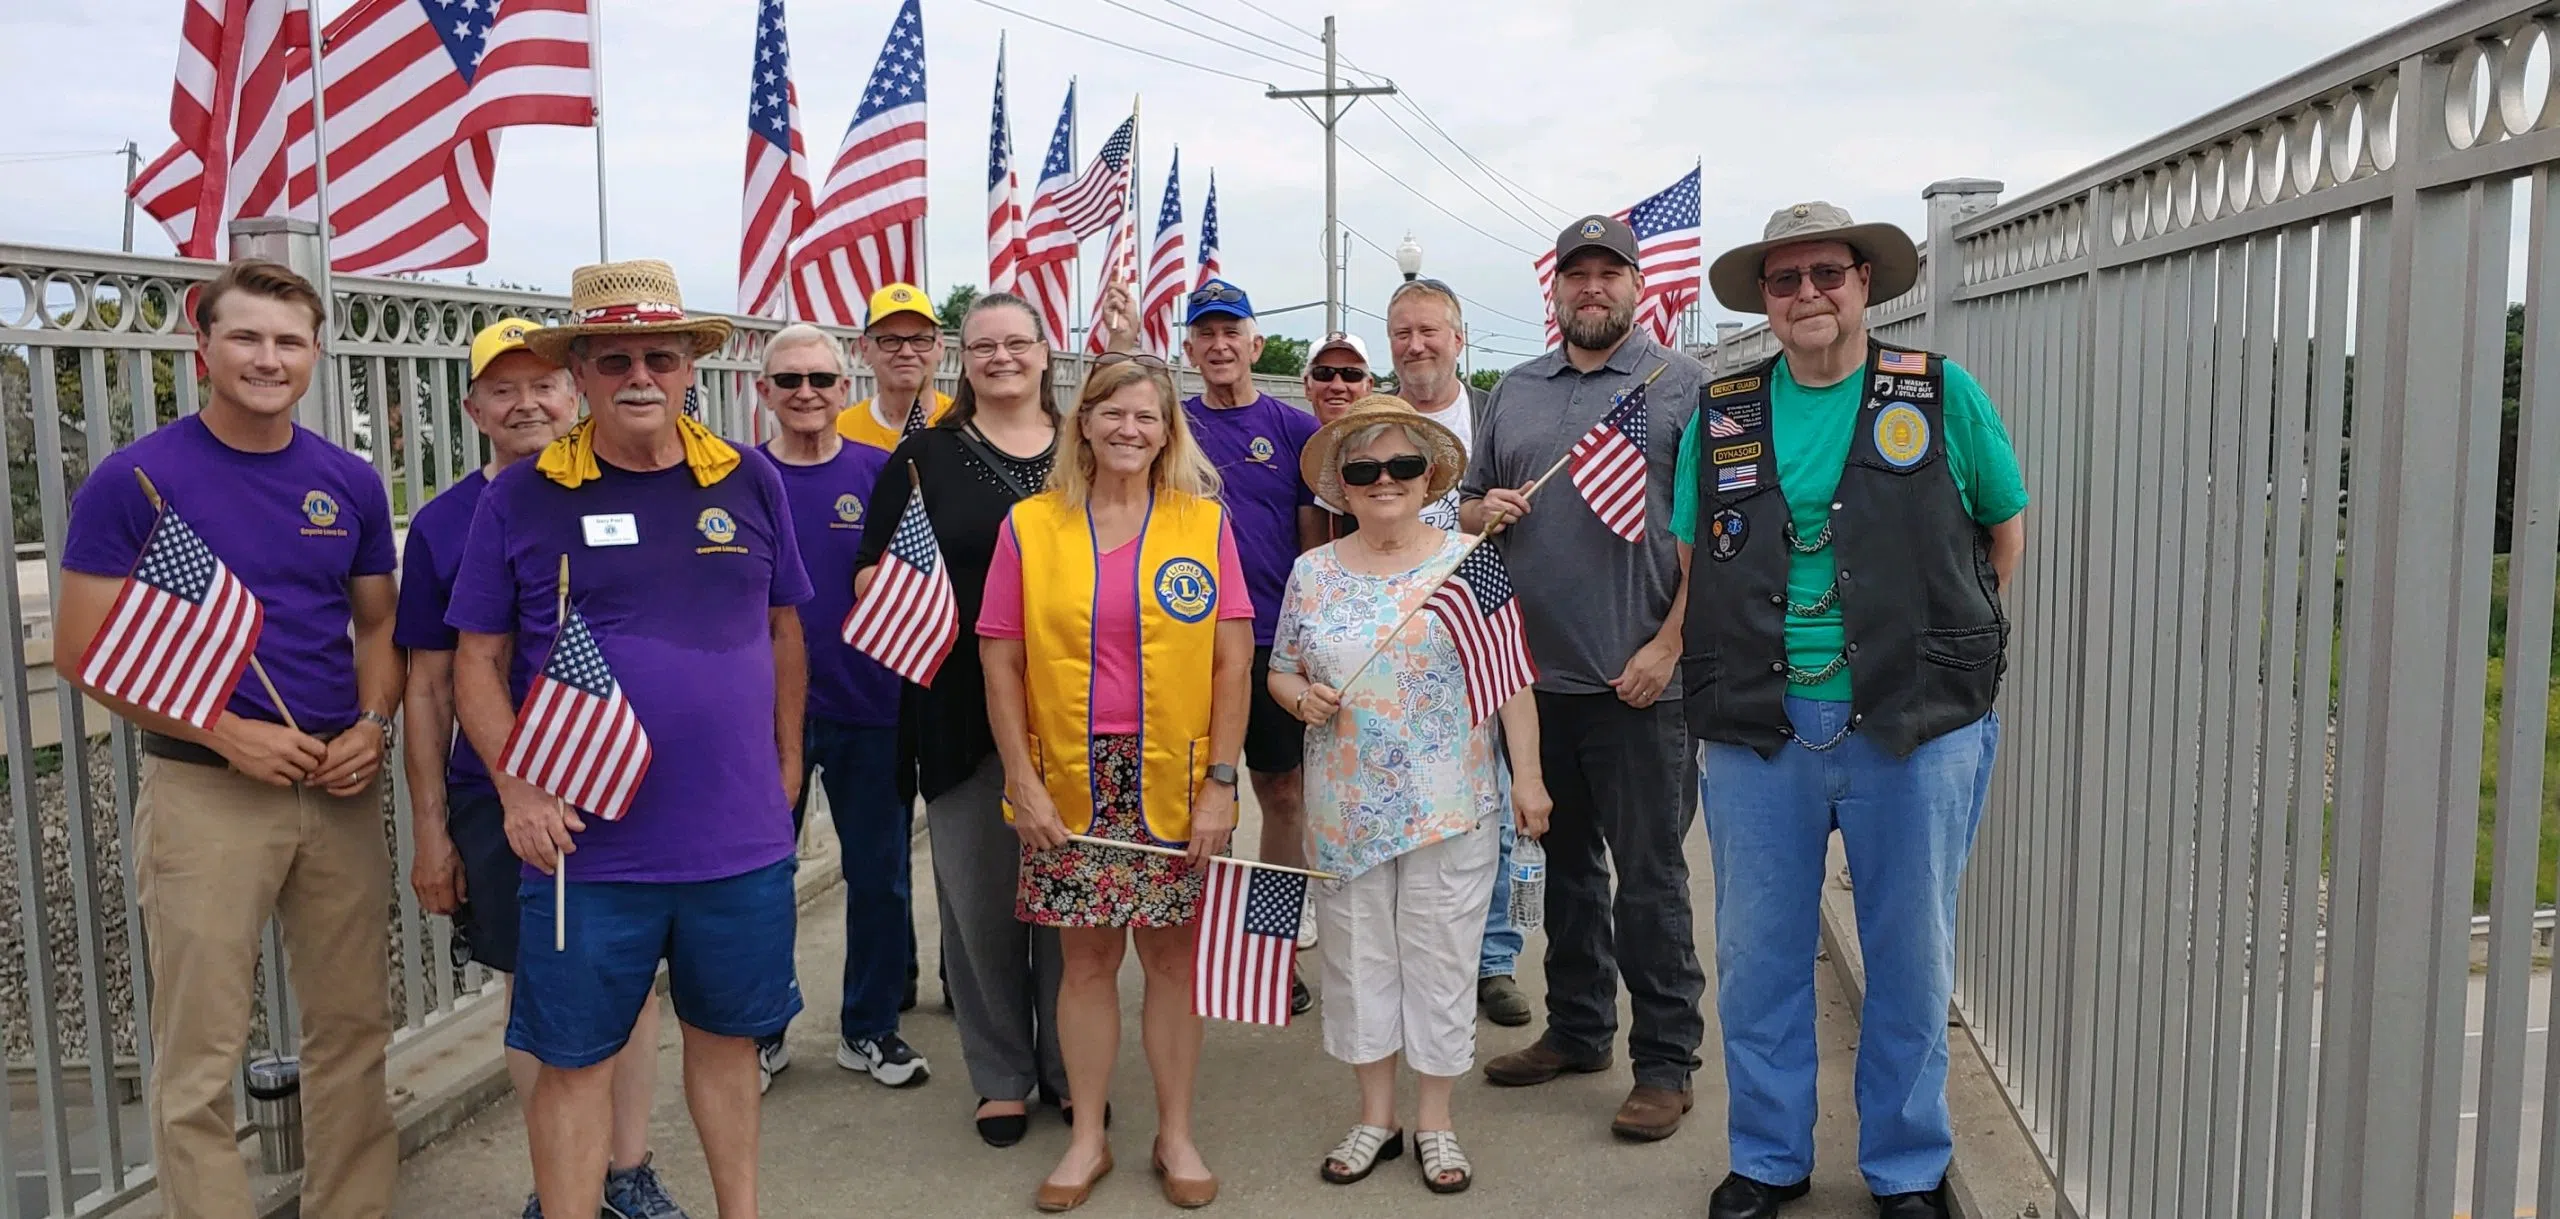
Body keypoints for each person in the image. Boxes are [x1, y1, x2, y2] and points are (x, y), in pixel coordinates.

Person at [1673, 203, 2026, 1219]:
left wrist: (1950, 644)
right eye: (1783, 282)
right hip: (1759, 722)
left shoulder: (1938, 393)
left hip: (1912, 727)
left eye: (1826, 273)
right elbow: (1697, 560)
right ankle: (1768, 1155)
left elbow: (2002, 531)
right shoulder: (1725, 409)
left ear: (1866, 282)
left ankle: (1907, 1167)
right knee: (1757, 952)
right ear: (1765, 303)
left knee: (1912, 955)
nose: (1806, 295)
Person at [448, 259, 810, 1219]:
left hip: (734, 836)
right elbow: (474, 664)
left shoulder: (751, 478)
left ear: (693, 364)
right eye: (614, 360)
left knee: (729, 1043)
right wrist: (519, 790)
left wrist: (784, 766)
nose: (639, 376)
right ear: (582, 374)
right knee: (572, 1060)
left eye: (660, 354)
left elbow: (783, 629)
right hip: (584, 847)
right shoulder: (520, 496)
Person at [56, 258, 402, 1219]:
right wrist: (225, 730)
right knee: (201, 1047)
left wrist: (375, 724)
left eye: (289, 340)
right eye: (246, 336)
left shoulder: (349, 481)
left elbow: (378, 625)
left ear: (314, 353)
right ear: (199, 344)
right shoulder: (136, 481)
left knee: (354, 1030)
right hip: (208, 791)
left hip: (335, 785)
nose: (268, 358)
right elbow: (85, 651)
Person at [399, 319, 686, 1217]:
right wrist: (433, 827)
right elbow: (432, 683)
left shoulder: (637, 488)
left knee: (630, 986)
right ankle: (558, 1180)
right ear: (474, 407)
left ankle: (626, 1171)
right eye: (503, 388)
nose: (527, 402)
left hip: (623, 785)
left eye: (543, 385)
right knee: (543, 997)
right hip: (505, 795)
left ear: (573, 392)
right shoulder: (448, 523)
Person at [982, 353, 1252, 1212]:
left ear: (1168, 430)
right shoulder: (1030, 525)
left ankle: (1175, 1132)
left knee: (1172, 962)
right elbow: (1000, 659)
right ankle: (1089, 1136)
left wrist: (1221, 782)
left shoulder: (1204, 525)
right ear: (1084, 423)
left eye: (1148, 415)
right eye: (1114, 413)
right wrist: (1021, 778)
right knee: (1087, 962)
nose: (1130, 429)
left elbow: (1234, 662)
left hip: (1173, 776)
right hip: (1071, 777)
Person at [1461, 214, 1709, 1142]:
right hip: (1535, 680)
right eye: (1578, 275)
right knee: (1563, 868)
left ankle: (1666, 1060)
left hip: (1640, 681)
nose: (1592, 288)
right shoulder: (1513, 391)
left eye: (1610, 273)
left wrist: (1668, 647)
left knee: (1648, 880)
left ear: (1638, 286)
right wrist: (1483, 504)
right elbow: (1470, 502)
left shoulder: (1680, 386)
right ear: (1555, 289)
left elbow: (1715, 540)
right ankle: (1578, 1027)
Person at [1268, 395, 1552, 1195]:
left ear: (1429, 476)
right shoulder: (1310, 573)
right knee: (1358, 963)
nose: (1384, 480)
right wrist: (1298, 698)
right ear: (1343, 488)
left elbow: (1514, 680)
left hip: (1448, 803)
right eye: (1364, 470)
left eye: (1401, 466)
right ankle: (1374, 1117)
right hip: (1346, 808)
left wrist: (1526, 776)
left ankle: (1436, 1121)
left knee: (1441, 960)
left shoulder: (1471, 560)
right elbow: (1281, 665)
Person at [857, 291, 1069, 1149]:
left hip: (1080, 711)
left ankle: (1068, 1063)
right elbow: (869, 575)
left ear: (1046, 352)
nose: (1001, 357)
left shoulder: (1087, 452)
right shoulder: (920, 459)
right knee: (981, 903)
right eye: (983, 345)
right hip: (958, 707)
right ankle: (1000, 1075)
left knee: (1068, 907)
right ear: (963, 359)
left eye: (1017, 341)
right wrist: (909, 590)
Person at [751, 322, 928, 1093]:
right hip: (762, 718)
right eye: (788, 380)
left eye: (820, 379)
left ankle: (869, 1027)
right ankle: (760, 1028)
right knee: (760, 876)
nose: (805, 393)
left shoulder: (883, 472)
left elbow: (921, 586)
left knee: (881, 874)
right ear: (763, 392)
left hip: (872, 706)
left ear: (843, 389)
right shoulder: (735, 477)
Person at [1382, 278, 1530, 1027]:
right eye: (1403, 333)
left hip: (1477, 633)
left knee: (1494, 805)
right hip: (1390, 648)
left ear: (1458, 337)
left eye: (1429, 331)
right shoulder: (1371, 425)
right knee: (1399, 804)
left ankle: (1494, 958)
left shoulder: (1493, 414)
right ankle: (1414, 955)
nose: (1416, 345)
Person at [1178, 278, 1323, 1014]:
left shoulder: (1293, 429)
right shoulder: (1169, 426)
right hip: (1183, 646)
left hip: (1267, 637)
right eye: (1205, 332)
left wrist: (1303, 636)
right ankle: (1199, 944)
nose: (1219, 343)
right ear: (1190, 347)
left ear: (1256, 343)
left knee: (1281, 794)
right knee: (1195, 801)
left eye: (1231, 329)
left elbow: (1310, 545)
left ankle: (1271, 946)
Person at [837, 283, 954, 450]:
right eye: (890, 340)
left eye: (920, 340)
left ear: (940, 346)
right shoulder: (840, 434)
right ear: (864, 348)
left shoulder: (965, 425)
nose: (906, 352)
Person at [1303, 330, 1372, 426]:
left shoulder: (1390, 439)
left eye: (1351, 374)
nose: (1337, 386)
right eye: (1324, 373)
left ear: (1368, 387)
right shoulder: (1287, 440)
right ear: (1307, 387)